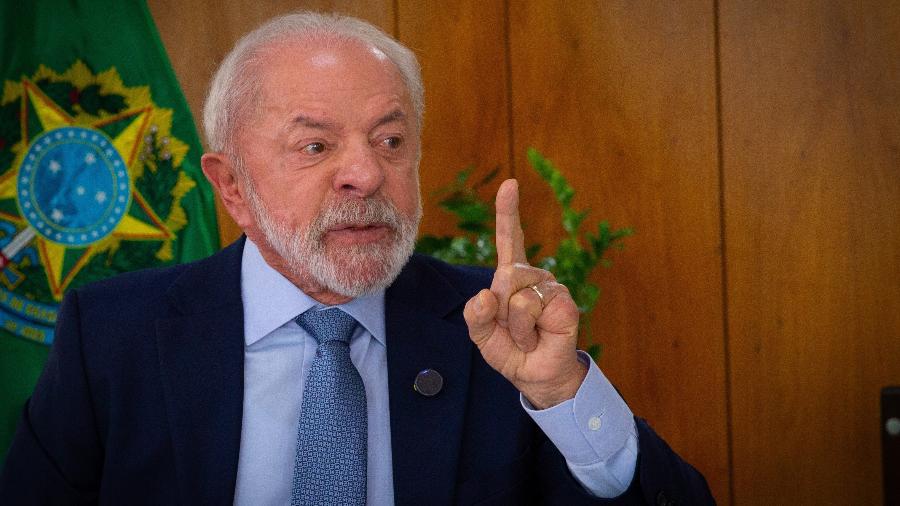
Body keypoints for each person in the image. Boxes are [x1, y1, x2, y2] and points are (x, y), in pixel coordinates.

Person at [0, 11, 713, 505]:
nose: (367, 175)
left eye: (390, 141)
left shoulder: (498, 327)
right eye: (315, 145)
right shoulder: (112, 335)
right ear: (232, 187)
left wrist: (563, 393)